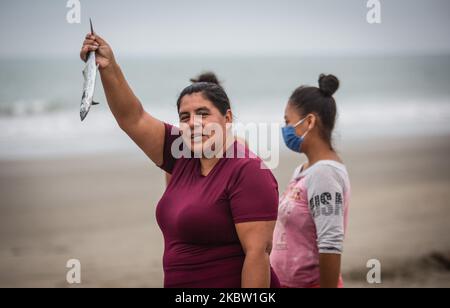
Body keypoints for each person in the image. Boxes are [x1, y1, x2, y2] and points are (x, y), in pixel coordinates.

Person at [80, 33, 280, 288]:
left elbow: (258, 255)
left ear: (227, 118)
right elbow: (133, 118)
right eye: (184, 117)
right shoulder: (180, 154)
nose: (193, 123)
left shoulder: (248, 170)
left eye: (203, 113)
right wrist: (109, 67)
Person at [270, 74, 351, 288]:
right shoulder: (305, 170)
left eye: (288, 121)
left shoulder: (325, 174)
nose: (285, 128)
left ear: (309, 122)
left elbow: (330, 245)